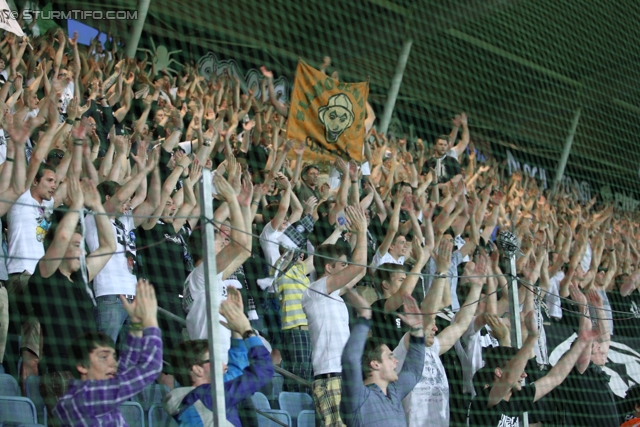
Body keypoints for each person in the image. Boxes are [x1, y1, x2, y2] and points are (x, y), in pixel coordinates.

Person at [23, 178, 116, 375]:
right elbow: (64, 236)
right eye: (76, 246)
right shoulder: (45, 274)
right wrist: (78, 204)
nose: (82, 252)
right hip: (60, 372)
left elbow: (109, 246)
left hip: (88, 373)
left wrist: (97, 205)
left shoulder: (81, 276)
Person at [468, 286, 596, 427]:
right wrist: (532, 338)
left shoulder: (516, 399)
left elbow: (554, 378)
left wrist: (582, 341)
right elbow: (509, 379)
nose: (524, 375)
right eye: (519, 369)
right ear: (498, 372)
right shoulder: (484, 399)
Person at [393, 252, 486, 427]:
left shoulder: (434, 348)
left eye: (435, 324)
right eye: (432, 324)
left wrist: (477, 287)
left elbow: (460, 324)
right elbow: (428, 315)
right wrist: (441, 273)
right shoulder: (406, 347)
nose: (435, 328)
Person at [53, 279, 163, 425]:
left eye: (113, 357)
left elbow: (126, 368)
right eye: (103, 357)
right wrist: (150, 319)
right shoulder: (86, 398)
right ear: (82, 366)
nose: (113, 363)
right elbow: (152, 367)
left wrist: (136, 323)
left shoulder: (86, 397)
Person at [164, 295, 274, 426]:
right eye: (215, 360)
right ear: (197, 370)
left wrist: (236, 329)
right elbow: (263, 371)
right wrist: (246, 331)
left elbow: (237, 370)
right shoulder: (207, 397)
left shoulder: (199, 397)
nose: (224, 366)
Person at [302, 206, 368, 426]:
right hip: (330, 377)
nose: (346, 268)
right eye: (342, 265)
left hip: (346, 377)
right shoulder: (316, 290)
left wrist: (358, 235)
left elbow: (361, 268)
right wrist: (363, 230)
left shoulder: (336, 295)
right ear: (328, 268)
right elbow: (358, 265)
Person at [340, 290, 425, 427]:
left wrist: (417, 330)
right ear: (375, 364)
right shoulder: (358, 397)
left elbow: (413, 372)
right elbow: (350, 359)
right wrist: (364, 318)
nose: (395, 361)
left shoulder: (394, 392)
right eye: (390, 356)